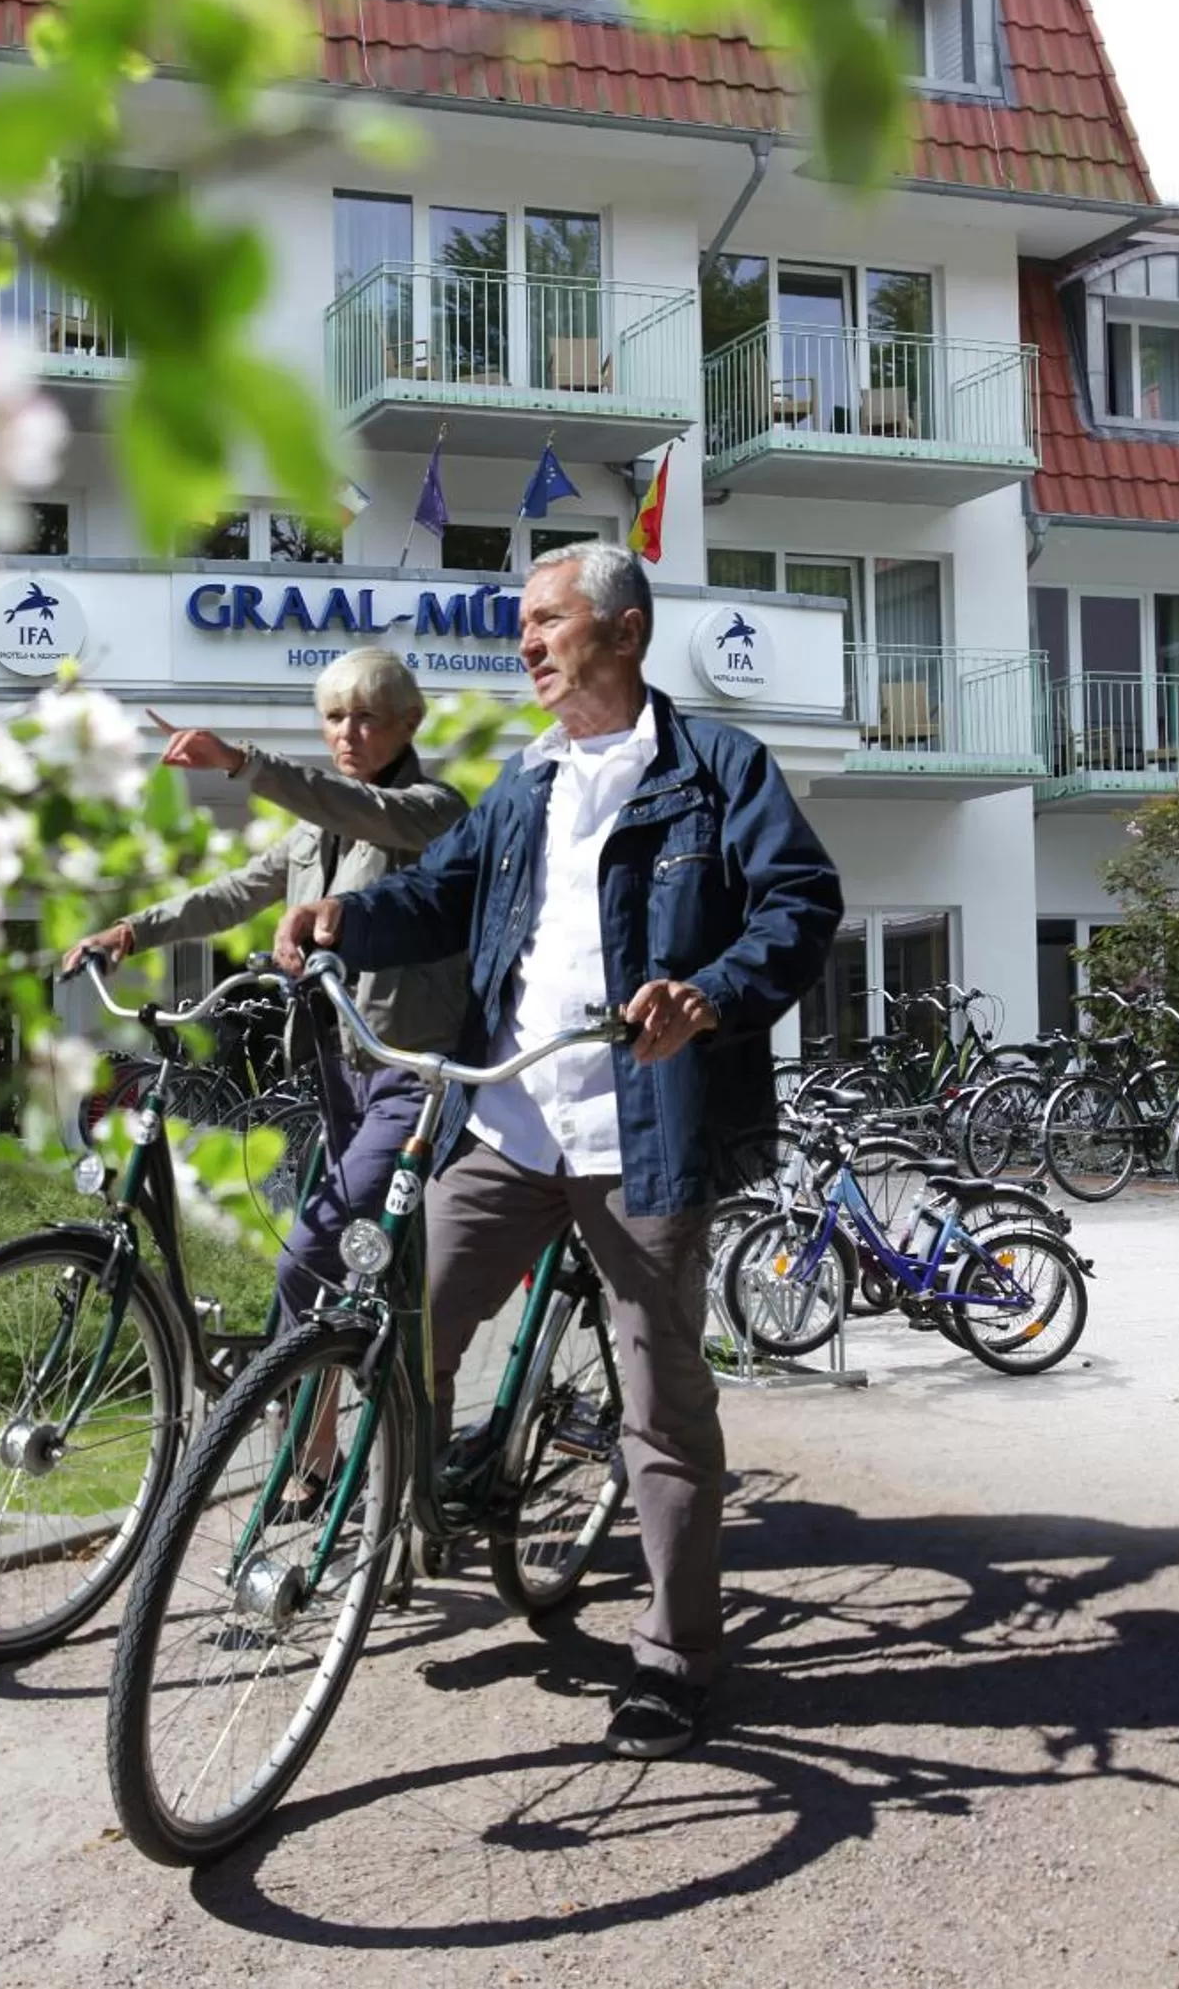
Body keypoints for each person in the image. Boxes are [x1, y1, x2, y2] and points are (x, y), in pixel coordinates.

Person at [274, 543, 842, 1758]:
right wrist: (343, 915)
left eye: (548, 619)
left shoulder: (716, 767)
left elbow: (799, 902)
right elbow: (441, 897)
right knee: (399, 1327)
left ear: (624, 633)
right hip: (508, 1121)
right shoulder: (525, 781)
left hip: (642, 1135)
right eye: (521, 623)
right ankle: (415, 1512)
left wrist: (709, 992)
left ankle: (676, 1657)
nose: (526, 640)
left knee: (661, 1400)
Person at [65, 647, 468, 1323]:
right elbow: (234, 892)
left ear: (410, 724)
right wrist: (131, 932)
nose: (346, 734)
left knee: (310, 1256)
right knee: (371, 1265)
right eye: (334, 718)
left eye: (367, 718)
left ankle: (292, 1386)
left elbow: (360, 807)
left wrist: (240, 761)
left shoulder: (431, 810)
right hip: (335, 1071)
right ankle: (357, 1387)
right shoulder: (314, 830)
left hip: (408, 1075)